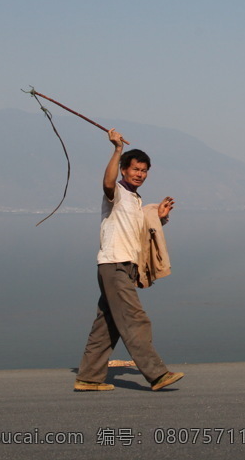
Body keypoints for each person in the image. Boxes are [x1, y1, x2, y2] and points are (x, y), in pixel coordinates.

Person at [73, 129, 184, 392]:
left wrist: (160, 217)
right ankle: (157, 374)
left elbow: (138, 233)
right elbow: (107, 184)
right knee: (136, 319)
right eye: (135, 169)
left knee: (107, 326)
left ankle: (88, 378)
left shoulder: (135, 199)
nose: (140, 174)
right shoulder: (117, 193)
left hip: (126, 267)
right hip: (113, 265)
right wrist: (116, 150)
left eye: (144, 171)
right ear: (124, 169)